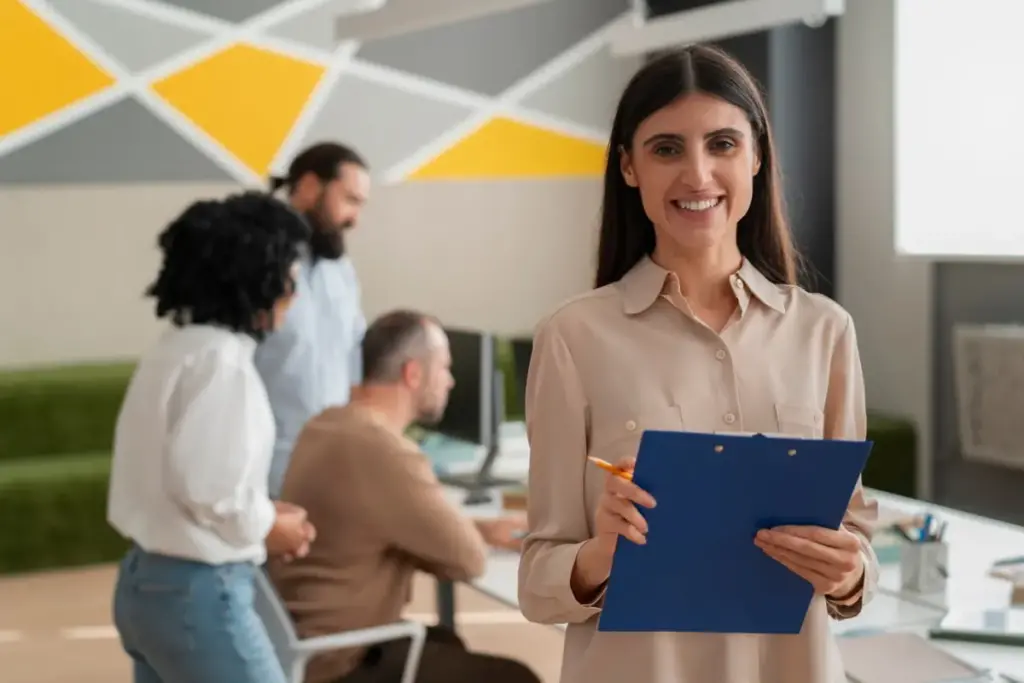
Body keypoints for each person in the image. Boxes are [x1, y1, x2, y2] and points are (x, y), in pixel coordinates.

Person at [517, 45, 879, 683]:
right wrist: (601, 553)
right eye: (666, 149)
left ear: (757, 157)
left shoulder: (826, 331)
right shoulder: (573, 337)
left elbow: (854, 541)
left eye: (722, 144)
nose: (698, 174)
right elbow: (538, 580)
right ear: (629, 167)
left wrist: (852, 573)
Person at [108, 192, 318, 683]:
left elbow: (191, 478)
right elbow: (211, 492)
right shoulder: (224, 365)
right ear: (256, 276)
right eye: (289, 271)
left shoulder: (176, 350)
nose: (295, 289)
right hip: (197, 596)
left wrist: (260, 509)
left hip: (145, 586)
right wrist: (270, 525)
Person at [269, 310, 540, 683]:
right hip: (340, 663)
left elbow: (382, 526)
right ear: (413, 374)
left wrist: (480, 528)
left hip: (302, 645)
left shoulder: (326, 424)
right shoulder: (385, 451)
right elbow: (469, 561)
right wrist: (471, 536)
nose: (450, 381)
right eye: (444, 368)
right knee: (515, 677)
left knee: (447, 643)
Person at [257, 141, 372, 498]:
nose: (355, 218)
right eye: (349, 200)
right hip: (265, 472)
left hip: (331, 468)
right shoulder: (256, 263)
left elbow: (355, 360)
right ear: (309, 187)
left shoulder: (341, 270)